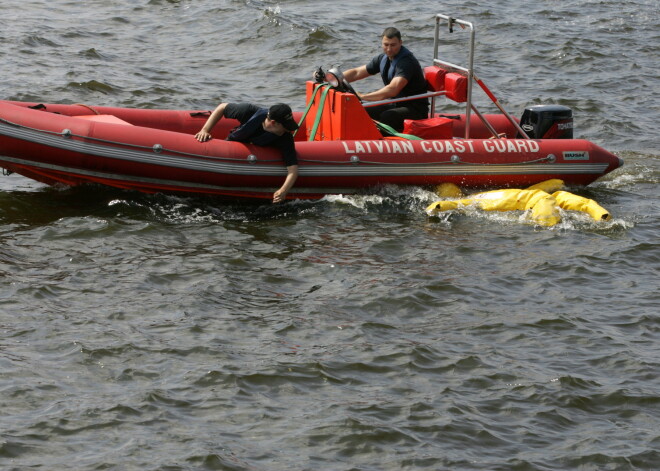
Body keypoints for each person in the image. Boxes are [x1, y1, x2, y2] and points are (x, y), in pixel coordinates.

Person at [195, 102, 299, 203]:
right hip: (231, 150)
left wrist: (283, 190)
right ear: (273, 123)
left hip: (254, 162)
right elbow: (222, 107)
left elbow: (293, 169)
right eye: (285, 126)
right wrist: (205, 130)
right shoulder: (248, 111)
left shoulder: (285, 137)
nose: (288, 130)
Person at [343, 27, 429, 132]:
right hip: (397, 103)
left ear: (400, 43)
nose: (389, 49)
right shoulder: (382, 58)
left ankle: (381, 144)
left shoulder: (406, 63)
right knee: (362, 110)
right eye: (386, 45)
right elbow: (356, 73)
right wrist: (333, 78)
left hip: (415, 109)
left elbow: (393, 89)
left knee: (388, 116)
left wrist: (363, 96)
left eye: (393, 45)